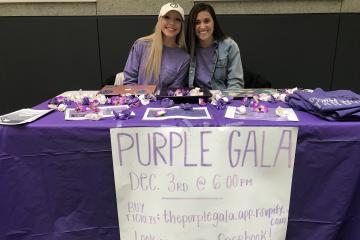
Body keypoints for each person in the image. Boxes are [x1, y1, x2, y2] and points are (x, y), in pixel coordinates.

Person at [123, 2, 190, 93]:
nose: (172, 23)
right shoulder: (140, 45)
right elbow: (129, 82)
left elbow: (174, 91)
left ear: (181, 25)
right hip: (139, 102)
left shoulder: (184, 58)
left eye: (177, 19)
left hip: (165, 105)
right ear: (160, 20)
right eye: (167, 17)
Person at [186, 3, 244, 92]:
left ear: (214, 22)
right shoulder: (187, 47)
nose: (202, 26)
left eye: (206, 21)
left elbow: (236, 84)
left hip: (222, 99)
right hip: (196, 100)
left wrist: (225, 101)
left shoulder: (230, 46)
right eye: (197, 22)